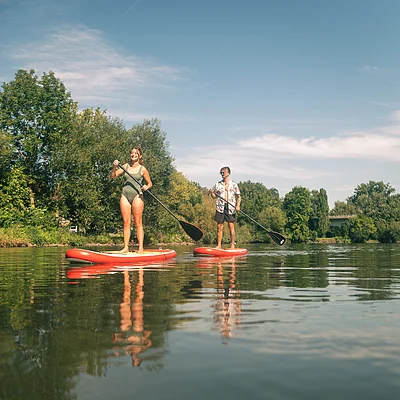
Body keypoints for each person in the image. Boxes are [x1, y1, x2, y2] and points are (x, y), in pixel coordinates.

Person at [111, 146, 152, 253]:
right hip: (125, 195)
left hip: (137, 196)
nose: (133, 155)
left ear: (140, 156)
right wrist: (115, 167)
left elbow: (150, 183)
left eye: (136, 153)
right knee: (126, 222)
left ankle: (140, 248)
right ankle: (125, 247)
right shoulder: (125, 166)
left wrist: (146, 187)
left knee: (138, 223)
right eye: (132, 153)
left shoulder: (142, 169)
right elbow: (113, 176)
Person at [209, 166, 241, 249]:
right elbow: (214, 197)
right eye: (221, 173)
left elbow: (239, 196)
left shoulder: (234, 184)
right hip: (220, 206)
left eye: (223, 172)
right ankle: (219, 245)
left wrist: (238, 205)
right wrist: (212, 193)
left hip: (231, 207)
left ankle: (232, 245)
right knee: (219, 226)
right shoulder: (217, 184)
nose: (222, 174)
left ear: (228, 173)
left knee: (231, 226)